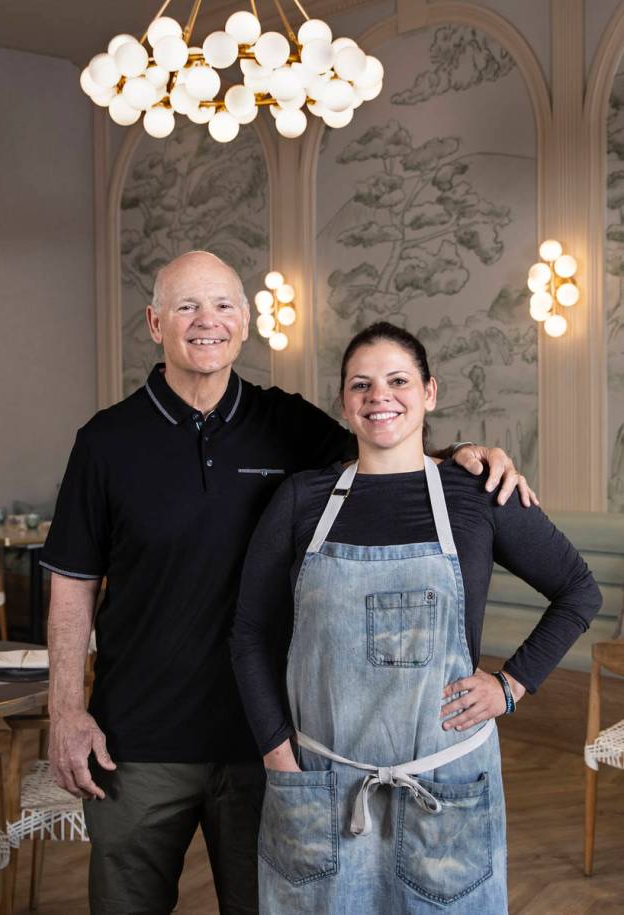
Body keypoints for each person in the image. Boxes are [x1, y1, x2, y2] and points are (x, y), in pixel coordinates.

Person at [42, 253, 534, 915]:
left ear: (246, 324)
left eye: (222, 306)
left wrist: (465, 456)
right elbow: (72, 582)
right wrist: (66, 710)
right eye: (186, 307)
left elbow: (383, 446)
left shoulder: (288, 424)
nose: (206, 321)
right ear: (155, 322)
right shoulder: (105, 442)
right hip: (139, 743)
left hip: (273, 742)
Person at [230, 321, 602, 914]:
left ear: (429, 392)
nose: (381, 397)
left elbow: (579, 591)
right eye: (362, 384)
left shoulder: (477, 492)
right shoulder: (302, 500)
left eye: (398, 380)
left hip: (446, 786)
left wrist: (511, 684)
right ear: (345, 403)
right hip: (322, 787)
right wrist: (277, 752)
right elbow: (248, 633)